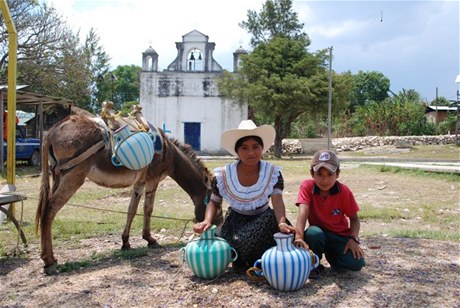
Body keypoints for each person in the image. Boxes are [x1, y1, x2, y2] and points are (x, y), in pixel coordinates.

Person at [193, 120, 299, 272]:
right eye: (244, 148)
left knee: (284, 234)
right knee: (239, 240)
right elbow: (214, 201)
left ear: (262, 148)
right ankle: (252, 261)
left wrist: (281, 223)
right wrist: (207, 220)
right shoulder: (224, 175)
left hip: (264, 218)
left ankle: (255, 261)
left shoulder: (272, 173)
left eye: (256, 147)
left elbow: (277, 200)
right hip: (235, 220)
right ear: (237, 151)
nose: (251, 153)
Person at [293, 150, 365, 277]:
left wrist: (353, 238)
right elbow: (303, 212)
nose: (324, 180)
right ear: (312, 173)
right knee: (313, 233)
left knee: (356, 264)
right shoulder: (307, 187)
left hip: (339, 235)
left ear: (337, 174)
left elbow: (354, 219)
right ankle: (314, 264)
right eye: (319, 174)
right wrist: (298, 237)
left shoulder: (344, 191)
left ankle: (334, 257)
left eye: (330, 174)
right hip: (318, 234)